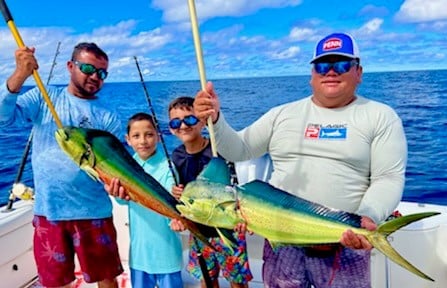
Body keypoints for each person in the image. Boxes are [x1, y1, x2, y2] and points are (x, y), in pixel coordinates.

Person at [193, 32, 407, 287]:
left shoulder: (381, 116)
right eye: (322, 65)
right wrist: (216, 119)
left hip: (344, 243)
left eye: (341, 65)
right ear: (312, 75)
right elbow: (240, 149)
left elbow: (388, 178)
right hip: (282, 241)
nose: (331, 72)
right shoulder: (282, 114)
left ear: (358, 72)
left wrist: (368, 216)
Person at [0, 43, 124, 287]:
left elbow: (115, 167)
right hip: (49, 212)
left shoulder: (108, 116)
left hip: (94, 212)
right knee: (54, 282)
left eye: (102, 73)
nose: (95, 77)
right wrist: (19, 76)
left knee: (106, 278)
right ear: (70, 66)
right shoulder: (45, 96)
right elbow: (4, 118)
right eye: (88, 68)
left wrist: (116, 188)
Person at [168, 96, 253, 288]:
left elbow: (234, 190)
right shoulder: (177, 156)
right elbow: (183, 195)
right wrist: (177, 193)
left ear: (201, 121)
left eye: (189, 119)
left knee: (237, 281)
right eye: (176, 122)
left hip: (227, 229)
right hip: (199, 230)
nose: (183, 126)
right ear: (171, 128)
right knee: (206, 278)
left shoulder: (218, 150)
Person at [114, 112, 183, 288]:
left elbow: (172, 198)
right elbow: (123, 201)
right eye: (136, 136)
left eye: (149, 134)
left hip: (167, 253)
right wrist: (116, 193)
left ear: (158, 137)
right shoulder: (126, 165)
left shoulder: (167, 167)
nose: (143, 141)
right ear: (127, 139)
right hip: (139, 255)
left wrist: (176, 218)